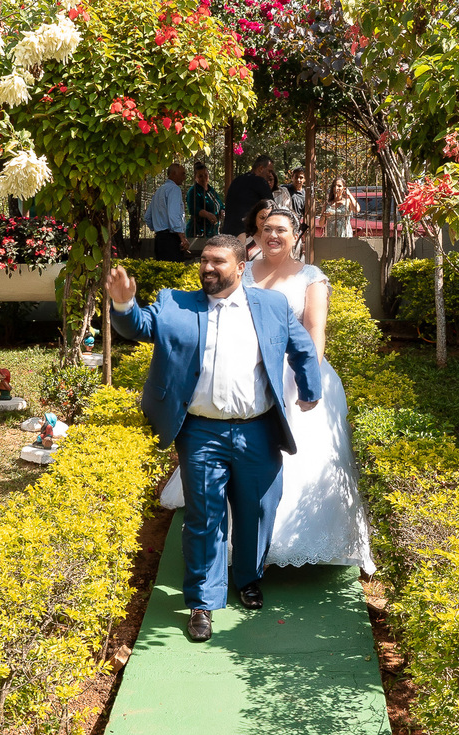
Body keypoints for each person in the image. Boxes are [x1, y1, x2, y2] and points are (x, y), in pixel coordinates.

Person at [107, 235, 322, 643]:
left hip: (258, 429)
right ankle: (202, 601)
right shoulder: (176, 303)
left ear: (240, 267)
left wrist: (310, 389)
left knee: (258, 508)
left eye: (217, 261)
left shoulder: (272, 306)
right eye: (204, 260)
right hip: (201, 431)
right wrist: (123, 304)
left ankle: (248, 578)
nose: (207, 267)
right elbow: (140, 326)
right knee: (204, 516)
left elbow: (301, 347)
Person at [161, 208, 375, 574]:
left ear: (296, 235)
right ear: (257, 234)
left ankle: (290, 540)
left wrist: (306, 380)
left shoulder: (310, 277)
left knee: (294, 458)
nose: (272, 235)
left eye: (281, 230)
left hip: (291, 377)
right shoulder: (243, 270)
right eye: (266, 229)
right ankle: (230, 543)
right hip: (246, 377)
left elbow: (314, 332)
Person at [221, 154, 274, 237]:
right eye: (269, 171)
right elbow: (271, 206)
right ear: (260, 168)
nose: (270, 175)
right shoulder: (260, 182)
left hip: (228, 231)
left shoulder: (236, 181)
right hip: (247, 234)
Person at [145, 163, 190, 261]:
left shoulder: (159, 191)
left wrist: (158, 228)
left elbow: (147, 217)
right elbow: (173, 215)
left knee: (162, 269)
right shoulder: (174, 189)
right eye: (182, 174)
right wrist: (182, 237)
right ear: (173, 174)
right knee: (174, 269)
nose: (184, 177)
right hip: (171, 239)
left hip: (159, 239)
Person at [186, 162, 225, 238]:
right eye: (200, 176)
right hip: (198, 232)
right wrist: (207, 214)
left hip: (212, 232)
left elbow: (220, 205)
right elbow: (193, 209)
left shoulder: (211, 190)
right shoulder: (193, 191)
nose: (203, 178)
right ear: (195, 178)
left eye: (206, 175)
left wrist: (222, 211)